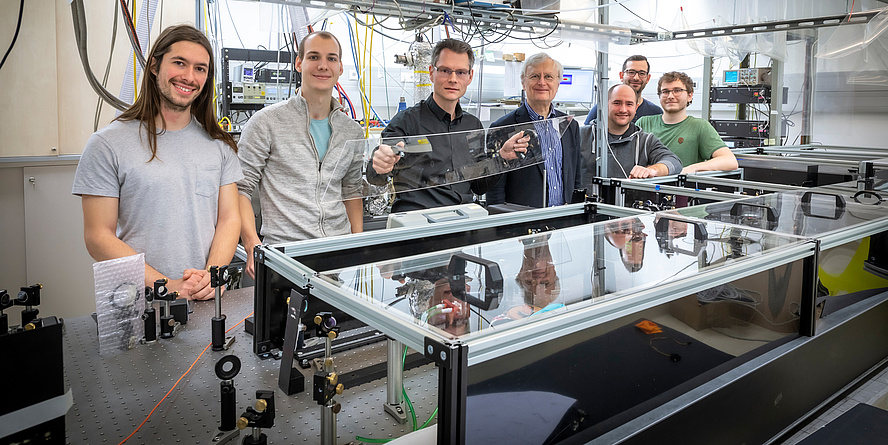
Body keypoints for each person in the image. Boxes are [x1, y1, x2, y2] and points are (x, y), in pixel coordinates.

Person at [73, 25, 242, 300]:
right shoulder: (107, 144)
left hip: (205, 298)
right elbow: (98, 236)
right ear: (154, 66)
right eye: (179, 63)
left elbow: (229, 218)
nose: (189, 77)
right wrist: (168, 285)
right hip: (137, 300)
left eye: (200, 68)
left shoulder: (219, 145)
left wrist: (212, 277)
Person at [236, 31, 364, 278]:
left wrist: (357, 244)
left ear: (340, 68)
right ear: (299, 63)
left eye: (331, 59)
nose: (323, 65)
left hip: (336, 256)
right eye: (314, 57)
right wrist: (252, 245)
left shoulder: (352, 131)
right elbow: (240, 188)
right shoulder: (266, 123)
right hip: (285, 255)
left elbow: (352, 191)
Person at [367, 39, 526, 212]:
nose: (453, 79)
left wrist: (502, 159)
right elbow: (376, 174)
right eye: (445, 70)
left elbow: (478, 186)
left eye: (460, 72)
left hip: (463, 223)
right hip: (418, 226)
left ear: (470, 76)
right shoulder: (406, 121)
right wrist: (379, 164)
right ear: (431, 72)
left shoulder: (473, 125)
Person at [487, 53, 581, 208]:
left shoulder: (570, 126)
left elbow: (576, 175)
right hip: (525, 222)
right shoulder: (502, 128)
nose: (542, 82)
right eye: (535, 76)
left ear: (557, 84)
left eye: (549, 77)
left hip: (565, 219)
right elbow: (495, 191)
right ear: (523, 83)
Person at [637, 71, 739, 174]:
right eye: (665, 91)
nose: (670, 96)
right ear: (659, 96)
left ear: (690, 95)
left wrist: (691, 169)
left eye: (677, 90)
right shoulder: (644, 123)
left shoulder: (699, 127)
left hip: (680, 188)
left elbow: (730, 161)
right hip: (645, 187)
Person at [581, 84, 682, 181]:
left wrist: (651, 170)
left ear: (636, 108)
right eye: (617, 103)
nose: (623, 109)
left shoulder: (646, 141)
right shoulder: (581, 135)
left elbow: (674, 163)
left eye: (629, 104)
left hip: (628, 198)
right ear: (605, 105)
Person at [584, 55, 662, 126]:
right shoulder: (602, 108)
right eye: (631, 72)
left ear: (648, 78)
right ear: (621, 75)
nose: (636, 78)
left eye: (642, 73)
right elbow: (586, 136)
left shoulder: (655, 113)